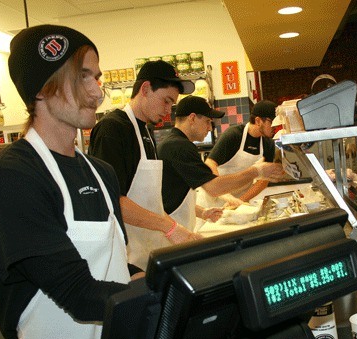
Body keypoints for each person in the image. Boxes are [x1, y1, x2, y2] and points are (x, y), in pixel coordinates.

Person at [0, 25, 138, 339]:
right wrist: (168, 298)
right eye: (82, 76)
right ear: (41, 89)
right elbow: (78, 293)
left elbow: (115, 268)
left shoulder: (102, 173)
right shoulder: (10, 178)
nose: (98, 91)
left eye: (97, 77)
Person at [88, 60, 198, 270]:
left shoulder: (146, 132)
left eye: (171, 104)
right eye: (166, 101)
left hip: (146, 252)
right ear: (146, 89)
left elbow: (150, 203)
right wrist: (170, 227)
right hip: (124, 257)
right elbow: (112, 201)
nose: (168, 111)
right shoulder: (112, 129)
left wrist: (184, 233)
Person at [157, 95, 285, 231]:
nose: (210, 128)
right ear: (192, 118)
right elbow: (214, 187)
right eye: (207, 122)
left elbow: (174, 196)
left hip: (177, 224)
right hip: (169, 229)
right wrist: (256, 171)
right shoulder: (179, 147)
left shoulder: (177, 144)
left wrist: (202, 212)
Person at [203, 100, 279, 206]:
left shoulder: (268, 144)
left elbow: (263, 181)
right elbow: (210, 164)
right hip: (213, 200)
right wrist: (222, 193)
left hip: (238, 202)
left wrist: (240, 201)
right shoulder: (234, 135)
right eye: (272, 122)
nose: (275, 127)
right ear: (258, 121)